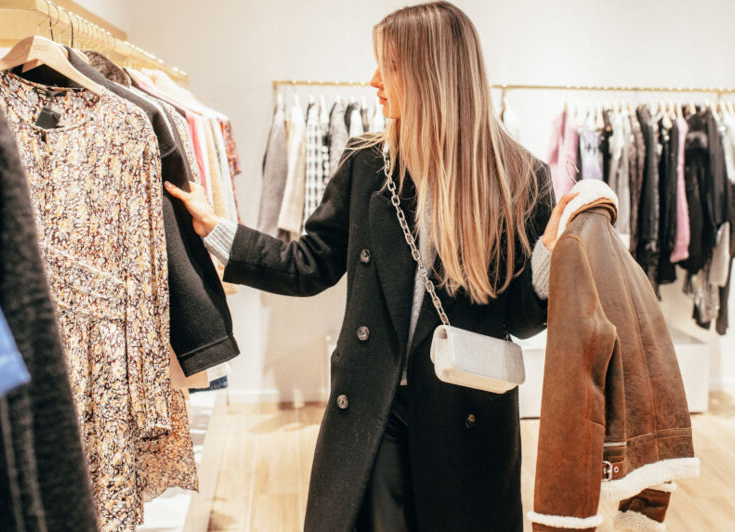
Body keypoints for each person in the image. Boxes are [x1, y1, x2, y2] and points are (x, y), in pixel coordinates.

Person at [165, 2, 578, 530]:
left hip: (465, 410)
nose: (373, 80)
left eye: (388, 65)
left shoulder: (519, 178)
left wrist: (547, 253)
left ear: (432, 72)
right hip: (372, 407)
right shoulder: (367, 165)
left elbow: (520, 320)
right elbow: (309, 263)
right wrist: (218, 230)